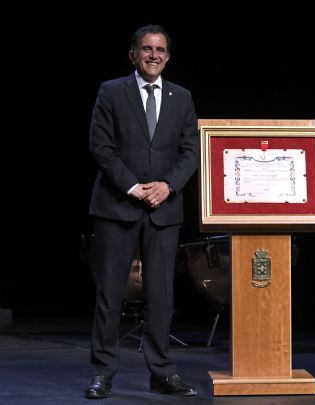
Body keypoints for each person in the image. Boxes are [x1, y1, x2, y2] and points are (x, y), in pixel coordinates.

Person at [85, 24, 199, 399]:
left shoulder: (181, 96)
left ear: (168, 56)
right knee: (110, 294)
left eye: (161, 50)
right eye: (147, 49)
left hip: (164, 208)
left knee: (161, 296)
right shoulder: (111, 91)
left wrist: (167, 185)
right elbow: (101, 146)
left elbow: (190, 151)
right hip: (117, 205)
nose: (154, 55)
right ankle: (103, 372)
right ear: (133, 54)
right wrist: (134, 187)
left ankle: (161, 373)